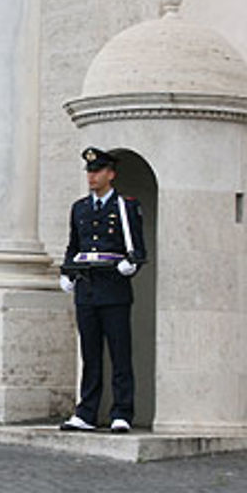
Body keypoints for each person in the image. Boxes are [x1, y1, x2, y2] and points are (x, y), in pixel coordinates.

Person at [59, 147, 146, 433]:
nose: (92, 176)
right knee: (90, 354)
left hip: (114, 289)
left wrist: (131, 265)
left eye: (97, 171)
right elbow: (75, 246)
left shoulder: (125, 206)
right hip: (87, 289)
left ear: (111, 174)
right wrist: (67, 272)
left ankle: (122, 412)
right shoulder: (80, 208)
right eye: (89, 172)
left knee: (120, 354)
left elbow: (137, 248)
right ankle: (86, 413)